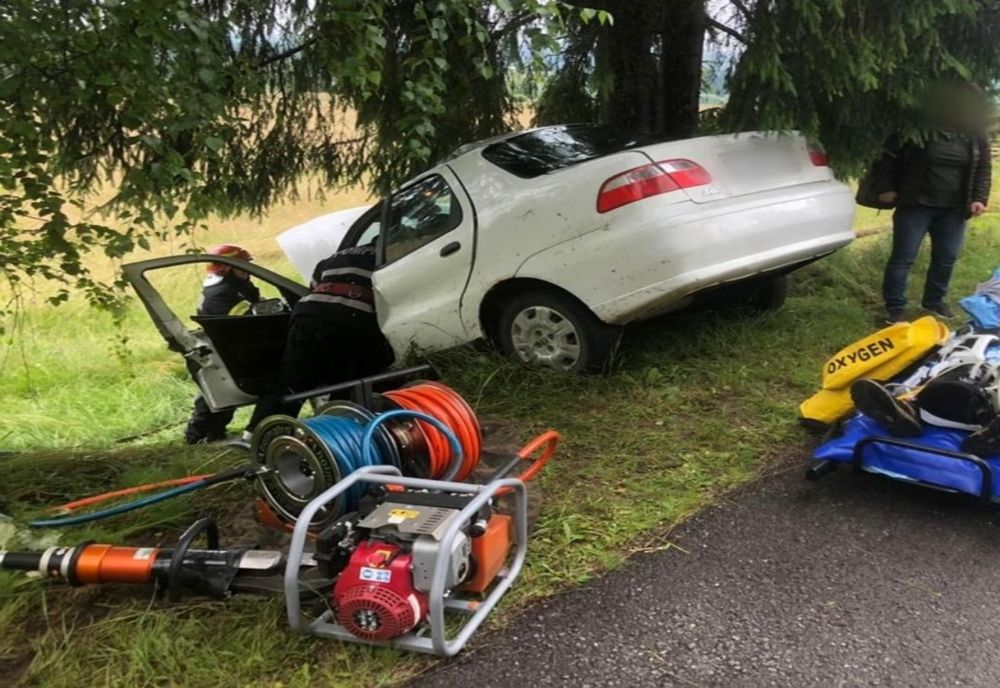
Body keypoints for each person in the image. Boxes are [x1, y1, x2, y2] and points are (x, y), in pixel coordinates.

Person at [870, 82, 992, 325]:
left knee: (946, 257)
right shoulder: (918, 128)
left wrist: (979, 198)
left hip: (955, 208)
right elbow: (886, 157)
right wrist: (885, 188)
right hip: (916, 204)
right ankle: (895, 309)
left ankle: (934, 301)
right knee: (903, 257)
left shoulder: (975, 134)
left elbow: (983, 168)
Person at [244, 240, 394, 435]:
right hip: (353, 319)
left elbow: (313, 287)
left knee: (291, 382)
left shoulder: (338, 255)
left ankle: (257, 435)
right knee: (353, 380)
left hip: (308, 316)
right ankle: (337, 431)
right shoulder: (389, 254)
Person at [184, 244, 261, 444]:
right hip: (225, 353)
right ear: (226, 268)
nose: (247, 270)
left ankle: (211, 434)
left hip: (229, 350)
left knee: (220, 398)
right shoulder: (221, 293)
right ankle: (196, 436)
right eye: (242, 266)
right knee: (218, 397)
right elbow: (246, 318)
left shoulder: (236, 288)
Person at [850, 366, 1000, 456]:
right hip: (983, 410)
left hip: (936, 401)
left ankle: (909, 409)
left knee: (932, 392)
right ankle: (991, 431)